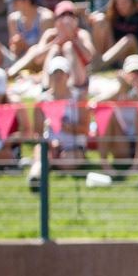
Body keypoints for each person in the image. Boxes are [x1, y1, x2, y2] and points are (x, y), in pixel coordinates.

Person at [26, 57, 89, 187]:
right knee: (41, 151)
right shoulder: (42, 100)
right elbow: (37, 133)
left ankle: (50, 164)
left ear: (68, 75)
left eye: (61, 73)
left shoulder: (79, 98)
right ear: (49, 76)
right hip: (49, 145)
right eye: (55, 73)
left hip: (74, 145)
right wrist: (49, 144)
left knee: (69, 162)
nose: (58, 77)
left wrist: (67, 128)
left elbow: (85, 129)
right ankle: (36, 176)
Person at [92, 54, 138, 171]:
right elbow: (93, 105)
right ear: (125, 75)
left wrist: (135, 95)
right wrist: (118, 92)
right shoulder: (117, 89)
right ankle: (105, 165)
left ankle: (137, 166)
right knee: (106, 111)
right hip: (122, 146)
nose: (135, 77)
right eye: (131, 73)